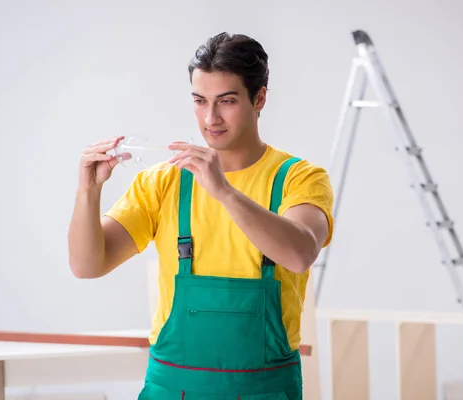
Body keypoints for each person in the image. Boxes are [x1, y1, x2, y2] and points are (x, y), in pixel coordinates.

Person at [68, 32, 334, 399]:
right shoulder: (163, 181)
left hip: (265, 389)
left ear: (259, 99)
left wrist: (223, 190)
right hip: (173, 387)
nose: (210, 118)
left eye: (226, 101)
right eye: (200, 101)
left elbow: (300, 253)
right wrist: (88, 191)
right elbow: (87, 265)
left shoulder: (299, 178)